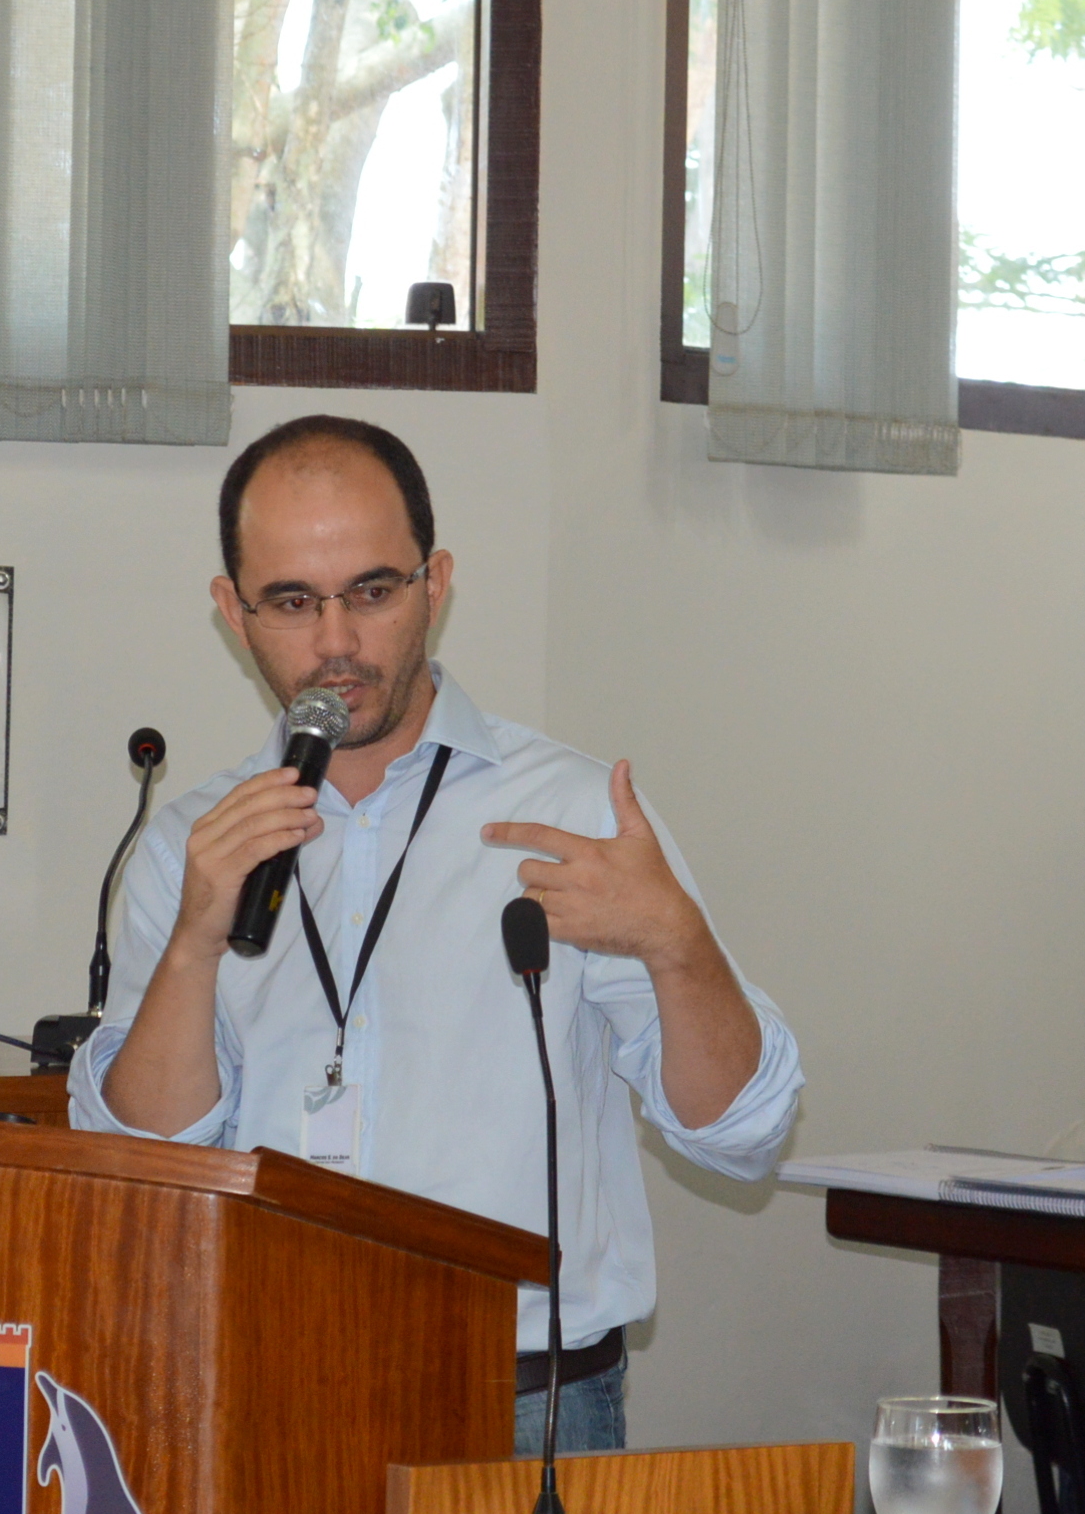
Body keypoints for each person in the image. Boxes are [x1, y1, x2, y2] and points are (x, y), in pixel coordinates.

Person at [69, 415, 802, 1455]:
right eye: (291, 600)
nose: (335, 641)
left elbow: (744, 1135)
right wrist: (193, 941)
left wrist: (683, 948)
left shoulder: (577, 812)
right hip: (264, 1383)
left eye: (372, 590)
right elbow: (139, 1162)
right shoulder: (195, 843)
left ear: (436, 582)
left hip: (525, 1405)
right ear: (233, 611)